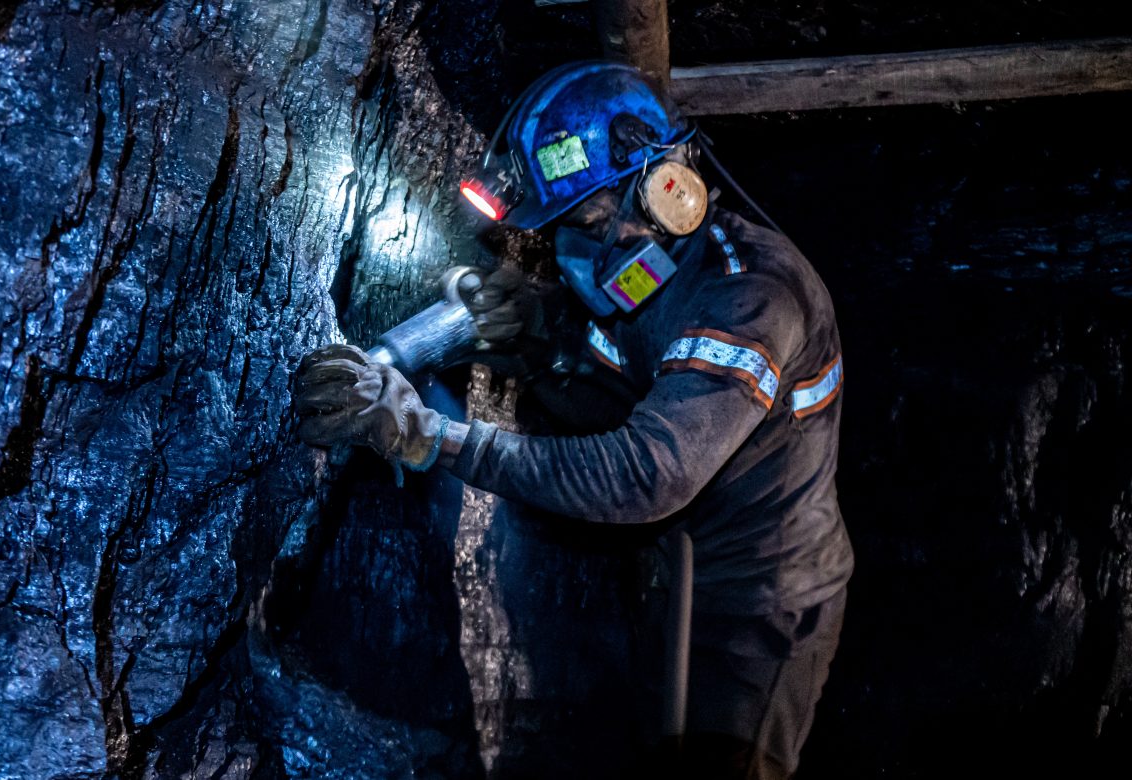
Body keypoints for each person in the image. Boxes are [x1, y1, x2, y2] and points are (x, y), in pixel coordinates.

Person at [294, 61, 854, 779]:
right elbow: (612, 393)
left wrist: (432, 438)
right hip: (676, 575)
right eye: (562, 230)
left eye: (587, 222)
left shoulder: (750, 301)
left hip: (765, 609)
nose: (573, 253)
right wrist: (536, 338)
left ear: (668, 191)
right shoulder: (645, 281)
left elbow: (645, 473)